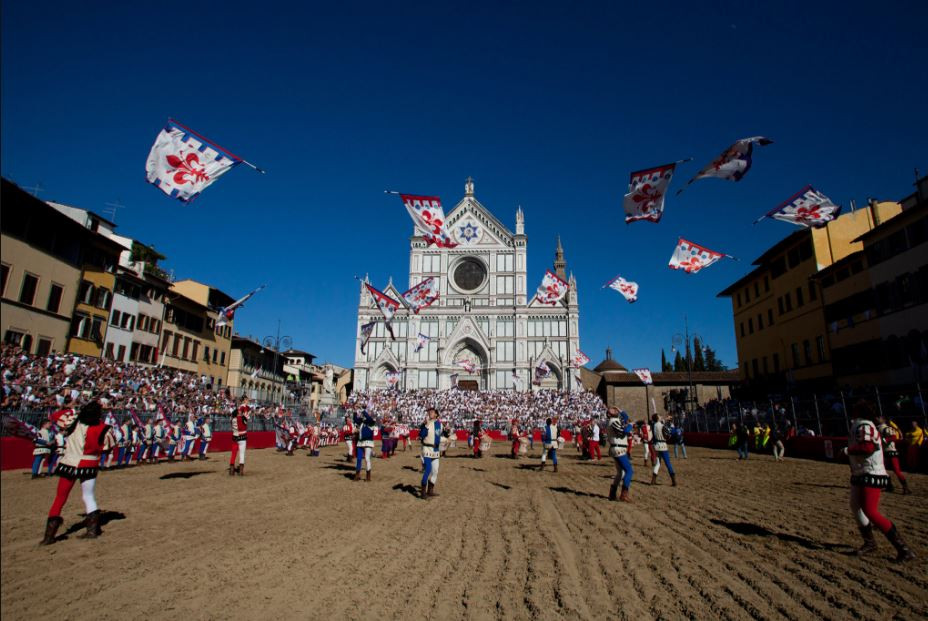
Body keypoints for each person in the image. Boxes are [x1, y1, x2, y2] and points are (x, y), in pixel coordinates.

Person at [844, 402, 914, 562]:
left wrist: (847, 451)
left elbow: (868, 447)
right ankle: (869, 542)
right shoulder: (861, 425)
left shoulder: (865, 425)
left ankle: (903, 549)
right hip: (861, 471)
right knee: (856, 506)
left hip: (871, 471)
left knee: (870, 511)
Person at [40, 401, 116, 544]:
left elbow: (56, 416)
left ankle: (49, 536)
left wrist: (69, 407)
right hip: (89, 463)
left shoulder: (72, 421)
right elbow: (107, 447)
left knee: (60, 498)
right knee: (88, 496)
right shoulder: (103, 428)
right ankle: (92, 530)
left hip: (69, 462)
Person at [877, 415, 910, 494]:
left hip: (890, 451)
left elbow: (894, 437)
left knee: (896, 470)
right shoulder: (878, 428)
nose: (877, 419)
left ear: (884, 420)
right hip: (884, 452)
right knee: (882, 470)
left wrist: (883, 440)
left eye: (879, 418)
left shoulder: (887, 428)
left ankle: (905, 487)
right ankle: (889, 486)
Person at [606, 408, 633, 502]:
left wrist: (620, 410)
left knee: (620, 473)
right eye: (612, 410)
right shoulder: (613, 422)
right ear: (609, 414)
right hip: (618, 449)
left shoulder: (615, 420)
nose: (615, 410)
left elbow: (625, 417)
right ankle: (624, 494)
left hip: (617, 448)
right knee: (629, 470)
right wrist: (630, 425)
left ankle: (612, 494)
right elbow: (624, 431)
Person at [419, 408, 442, 498]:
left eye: (432, 412)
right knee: (428, 469)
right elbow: (422, 435)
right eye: (429, 412)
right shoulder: (426, 424)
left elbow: (440, 436)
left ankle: (430, 490)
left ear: (436, 414)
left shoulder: (439, 425)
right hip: (427, 448)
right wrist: (425, 425)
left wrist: (447, 436)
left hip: (435, 450)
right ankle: (423, 492)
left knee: (435, 471)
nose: (429, 413)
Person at [650, 414, 677, 486]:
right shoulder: (661, 425)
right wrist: (671, 425)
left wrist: (666, 420)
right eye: (659, 416)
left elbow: (661, 423)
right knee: (668, 463)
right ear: (658, 418)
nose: (660, 416)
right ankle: (674, 481)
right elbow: (670, 432)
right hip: (663, 446)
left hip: (656, 446)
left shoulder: (654, 425)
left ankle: (653, 480)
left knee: (658, 463)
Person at [229, 395, 250, 476]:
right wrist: (245, 408)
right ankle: (241, 471)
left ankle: (231, 469)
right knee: (242, 453)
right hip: (243, 437)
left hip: (235, 437)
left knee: (233, 453)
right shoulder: (243, 418)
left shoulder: (232, 419)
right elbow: (247, 417)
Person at [354, 410, 376, 481]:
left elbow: (368, 417)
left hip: (368, 442)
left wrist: (363, 410)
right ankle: (357, 475)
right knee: (359, 459)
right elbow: (355, 419)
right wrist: (355, 412)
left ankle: (368, 476)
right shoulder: (362, 423)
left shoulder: (371, 422)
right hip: (360, 442)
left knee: (367, 459)